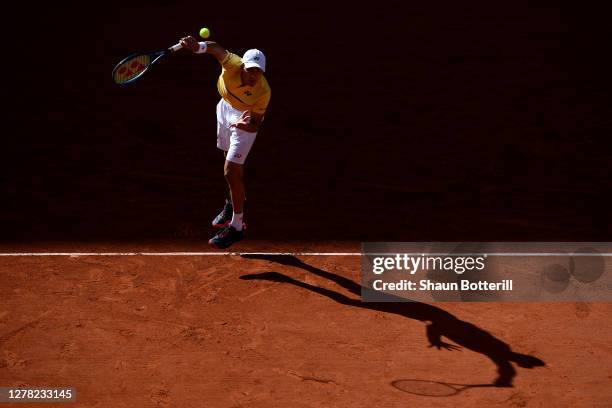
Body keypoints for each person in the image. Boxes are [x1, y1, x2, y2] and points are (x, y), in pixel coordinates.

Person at [178, 36, 271, 249]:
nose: (254, 75)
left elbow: (255, 125)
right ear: (243, 67)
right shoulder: (232, 65)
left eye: (259, 71)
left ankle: (237, 227)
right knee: (225, 159)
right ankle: (232, 202)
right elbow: (215, 48)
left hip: (245, 119)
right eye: (251, 69)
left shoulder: (264, 92)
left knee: (231, 171)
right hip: (224, 109)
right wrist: (198, 46)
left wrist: (242, 125)